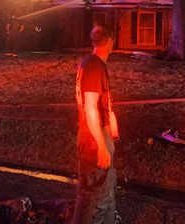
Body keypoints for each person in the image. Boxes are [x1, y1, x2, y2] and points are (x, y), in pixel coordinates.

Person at [72, 25, 119, 224]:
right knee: (94, 199)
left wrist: (111, 127)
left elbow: (101, 103)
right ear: (110, 41)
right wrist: (101, 146)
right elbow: (90, 107)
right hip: (93, 139)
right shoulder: (94, 66)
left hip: (98, 134)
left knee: (105, 194)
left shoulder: (92, 63)